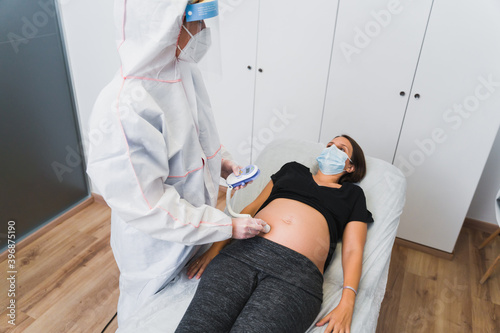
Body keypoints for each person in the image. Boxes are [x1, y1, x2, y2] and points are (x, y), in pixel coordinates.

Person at [86, 0, 267, 327]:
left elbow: (200, 136)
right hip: (157, 248)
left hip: (197, 229)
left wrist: (221, 163)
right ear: (162, 23)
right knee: (144, 314)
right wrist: (226, 226)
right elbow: (149, 204)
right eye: (197, 20)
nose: (203, 32)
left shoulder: (183, 72)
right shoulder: (125, 106)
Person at [175, 135, 374, 333]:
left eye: (341, 149)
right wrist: (215, 250)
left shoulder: (352, 195)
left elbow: (353, 249)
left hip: (297, 277)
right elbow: (251, 209)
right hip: (241, 255)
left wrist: (347, 301)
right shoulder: (292, 170)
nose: (331, 149)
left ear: (351, 167)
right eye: (329, 145)